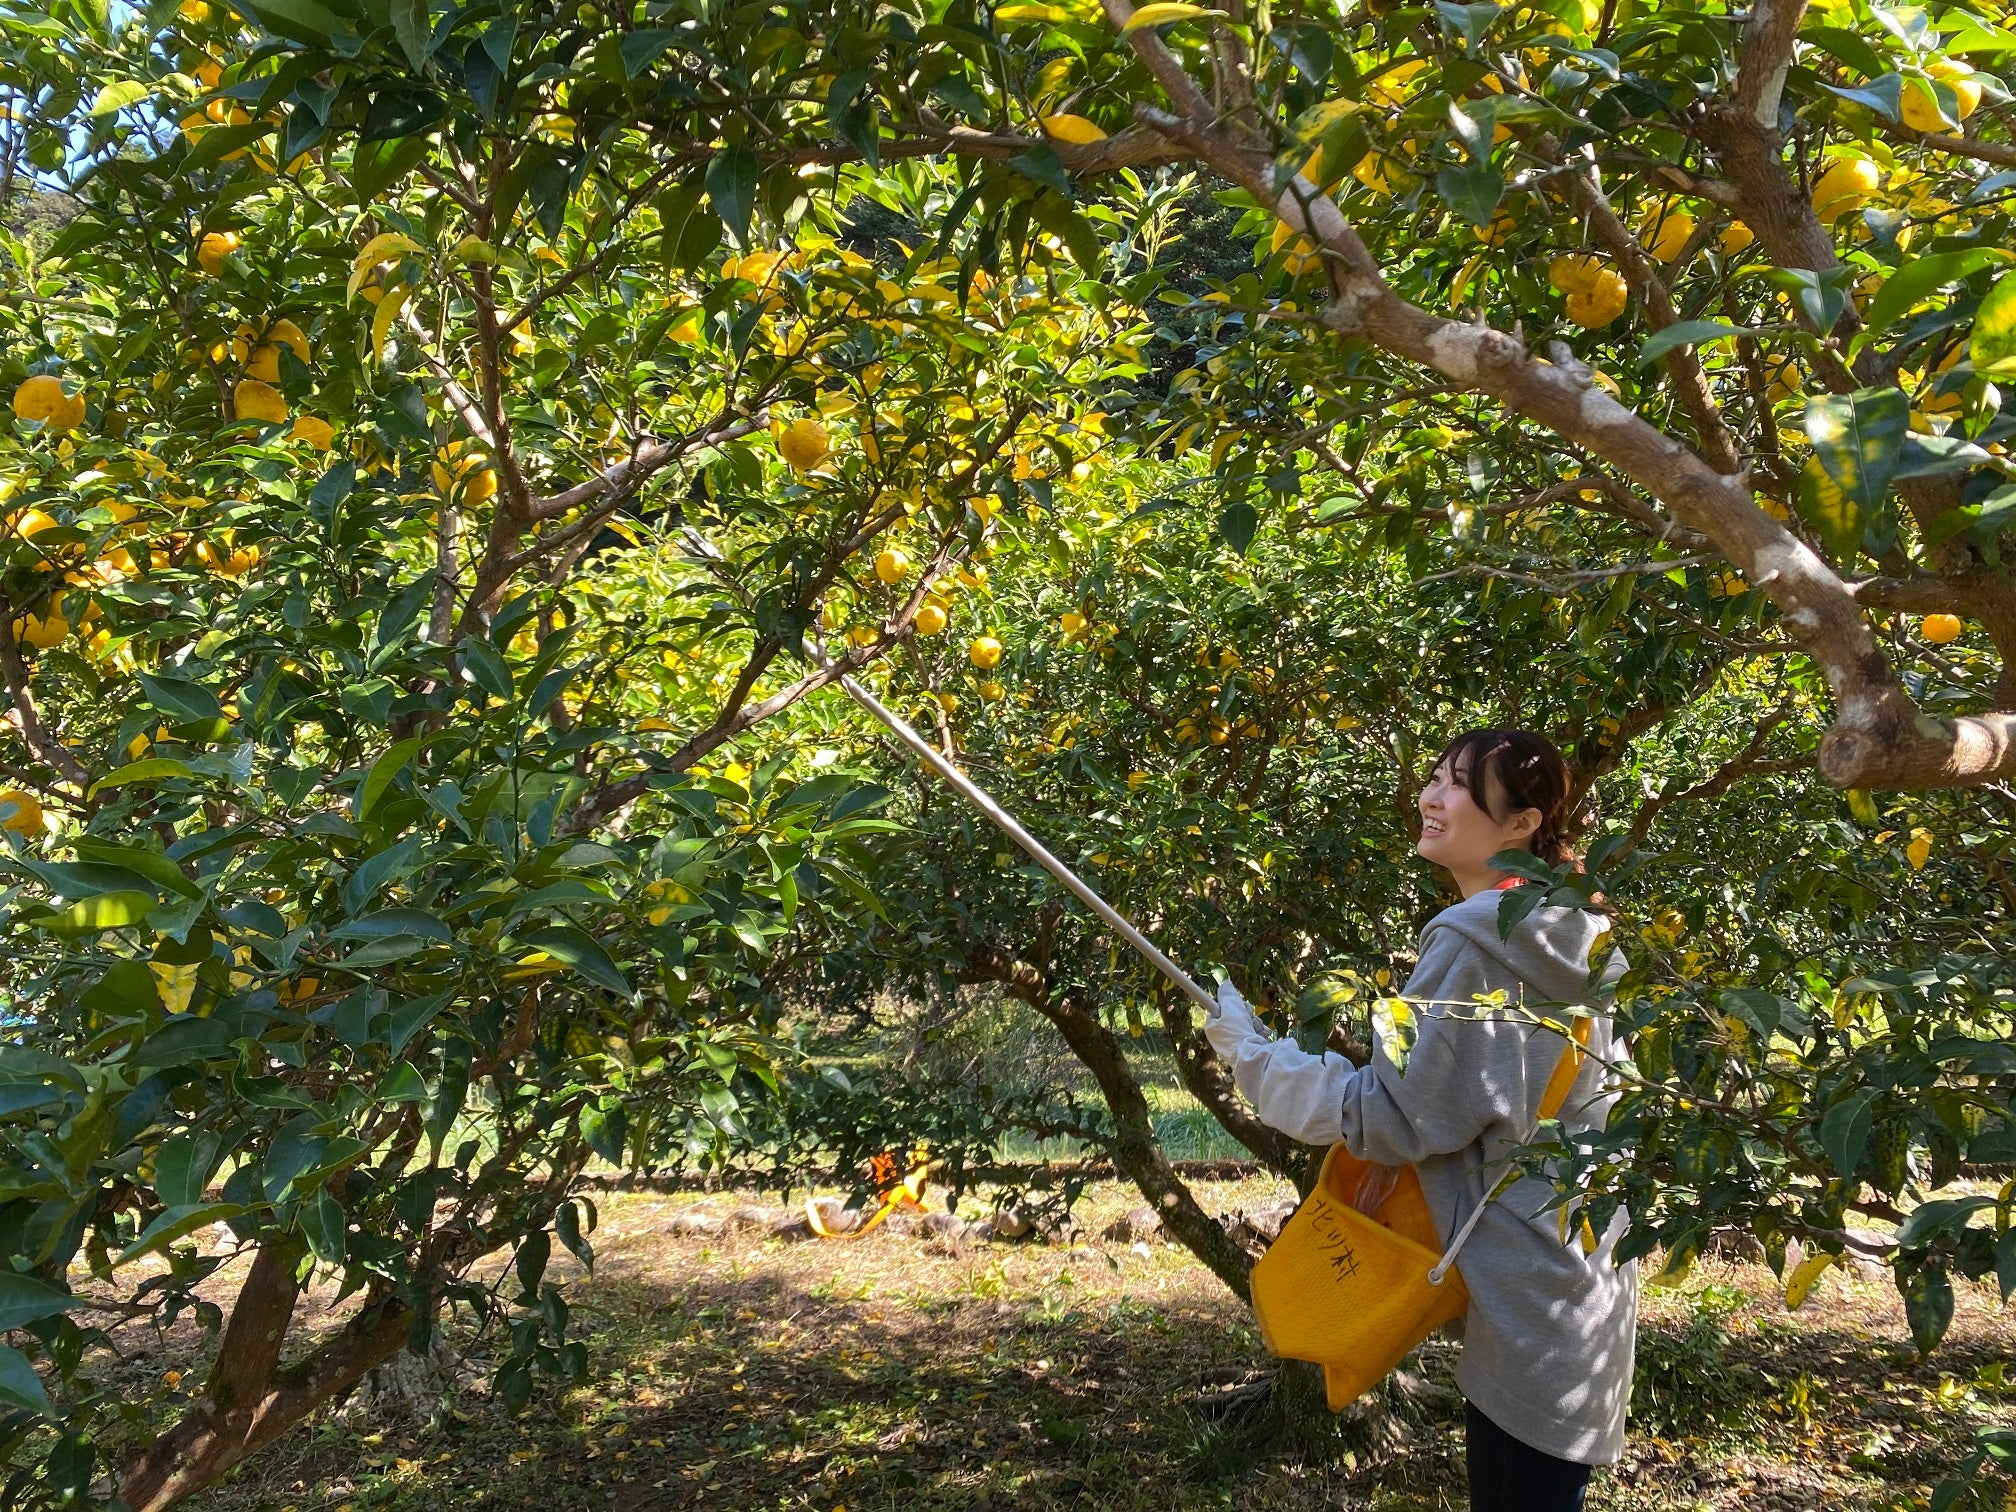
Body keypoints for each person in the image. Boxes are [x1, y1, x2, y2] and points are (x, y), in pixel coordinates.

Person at [1204, 728, 1635, 1512]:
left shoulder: (1472, 941)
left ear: (1520, 824)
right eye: (1435, 777)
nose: (1431, 797)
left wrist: (1256, 1059)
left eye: (1460, 785)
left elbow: (1396, 1116)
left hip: (1521, 1289)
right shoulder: (1575, 928)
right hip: (1577, 1267)